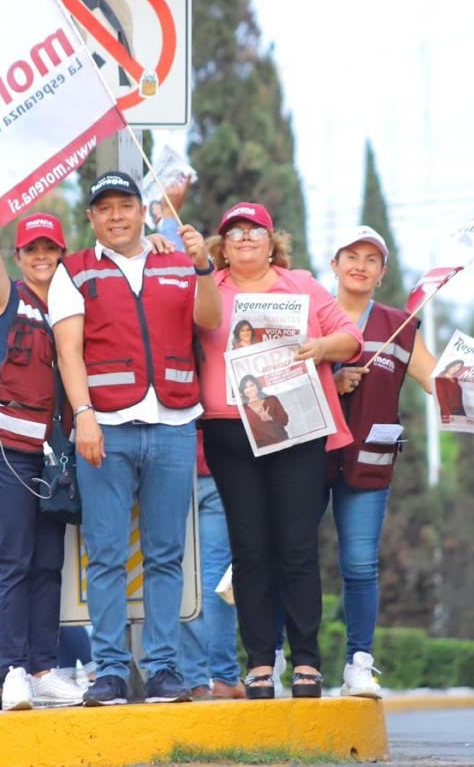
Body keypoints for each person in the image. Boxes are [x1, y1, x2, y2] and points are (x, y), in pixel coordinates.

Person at [51, 170, 221, 706]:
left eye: (126, 205)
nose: (117, 215)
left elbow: (210, 320)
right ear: (92, 218)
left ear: (143, 211)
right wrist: (83, 416)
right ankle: (110, 672)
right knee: (104, 556)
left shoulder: (176, 260)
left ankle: (165, 669)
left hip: (173, 425)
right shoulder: (73, 271)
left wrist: (204, 267)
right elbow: (68, 351)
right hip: (107, 428)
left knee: (166, 555)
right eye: (106, 208)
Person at [328, 225, 474, 698]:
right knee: (292, 558)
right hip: (309, 456)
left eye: (371, 259)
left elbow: (434, 381)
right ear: (334, 265)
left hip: (368, 462)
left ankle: (358, 664)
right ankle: (286, 659)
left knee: (360, 565)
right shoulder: (311, 313)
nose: (360, 265)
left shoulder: (399, 327)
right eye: (351, 256)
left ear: (382, 273)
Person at [197, 202, 363, 700]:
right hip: (229, 431)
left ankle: (306, 662)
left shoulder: (304, 287)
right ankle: (260, 663)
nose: (245, 238)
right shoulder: (207, 287)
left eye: (256, 231)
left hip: (294, 427)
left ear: (273, 242)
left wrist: (320, 346)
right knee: (250, 552)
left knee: (295, 548)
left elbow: (351, 338)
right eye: (235, 232)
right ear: (222, 245)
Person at [0, 156, 82, 710]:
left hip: (55, 455)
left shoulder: (73, 305)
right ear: (20, 256)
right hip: (9, 450)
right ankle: (12, 671)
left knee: (49, 562)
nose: (40, 257)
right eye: (31, 250)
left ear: (61, 254)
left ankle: (44, 668)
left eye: (49, 250)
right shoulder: (10, 299)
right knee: (14, 560)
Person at [177, 434, 244, 700]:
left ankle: (195, 679)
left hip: (170, 466)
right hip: (216, 464)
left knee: (177, 572)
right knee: (215, 576)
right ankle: (224, 676)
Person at [238, 375, 289, 448]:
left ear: (257, 386)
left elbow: (285, 420)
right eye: (245, 387)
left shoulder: (272, 399)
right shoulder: (243, 409)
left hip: (282, 440)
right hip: (262, 447)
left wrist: (270, 418)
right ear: (242, 391)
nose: (249, 389)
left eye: (252, 385)